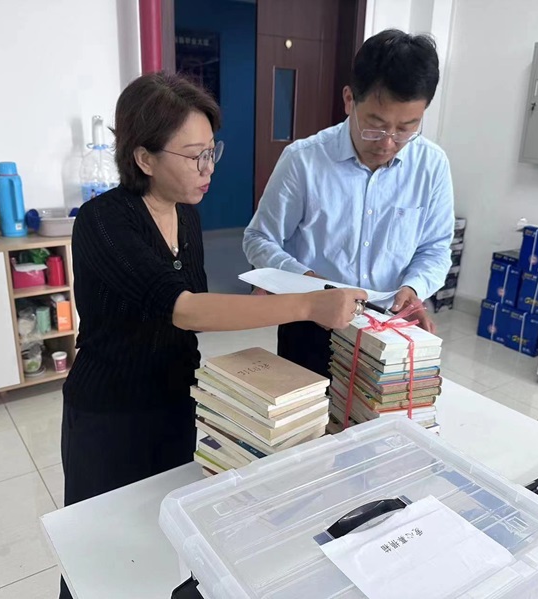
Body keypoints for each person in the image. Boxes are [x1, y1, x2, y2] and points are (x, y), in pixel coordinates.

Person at [59, 72, 365, 598]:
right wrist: (307, 305)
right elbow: (184, 309)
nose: (208, 168)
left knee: (164, 540)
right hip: (110, 415)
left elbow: (190, 306)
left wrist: (266, 298)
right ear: (144, 158)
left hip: (177, 401)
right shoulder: (102, 221)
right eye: (194, 155)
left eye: (211, 152)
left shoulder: (186, 217)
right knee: (98, 557)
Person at [243, 29, 455, 379]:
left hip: (388, 326)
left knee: (377, 414)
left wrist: (414, 287)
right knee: (308, 412)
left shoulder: (431, 165)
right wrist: (308, 281)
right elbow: (259, 239)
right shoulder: (304, 160)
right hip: (311, 322)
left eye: (406, 128)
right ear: (349, 100)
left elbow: (435, 248)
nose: (388, 142)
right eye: (376, 125)